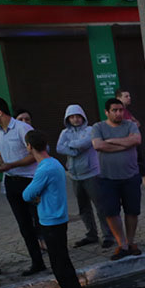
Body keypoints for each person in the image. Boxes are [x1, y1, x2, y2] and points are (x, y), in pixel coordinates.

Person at [21, 130, 87, 288]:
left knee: (60, 261)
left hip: (51, 220)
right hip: (57, 217)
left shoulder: (45, 168)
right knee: (60, 259)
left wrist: (35, 196)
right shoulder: (53, 163)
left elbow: (27, 195)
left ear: (29, 146)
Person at [0, 96, 45, 276]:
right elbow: (0, 155)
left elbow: (35, 154)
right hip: (11, 181)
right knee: (24, 225)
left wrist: (12, 165)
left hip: (30, 180)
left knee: (40, 221)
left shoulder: (22, 128)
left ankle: (55, 255)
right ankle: (37, 261)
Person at [91, 97, 144, 260]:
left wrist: (112, 141)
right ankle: (122, 244)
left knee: (132, 211)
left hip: (131, 176)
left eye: (121, 110)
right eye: (115, 110)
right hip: (107, 178)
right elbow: (98, 145)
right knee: (111, 213)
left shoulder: (130, 125)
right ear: (107, 112)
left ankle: (131, 241)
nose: (119, 113)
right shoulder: (98, 127)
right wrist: (125, 144)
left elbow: (136, 140)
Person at [56, 103, 112, 249]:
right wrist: (74, 150)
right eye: (72, 117)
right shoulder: (64, 133)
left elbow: (86, 143)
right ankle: (91, 234)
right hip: (75, 175)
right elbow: (59, 147)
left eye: (78, 116)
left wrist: (71, 145)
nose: (75, 119)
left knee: (100, 206)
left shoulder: (90, 130)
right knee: (83, 208)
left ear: (83, 117)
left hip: (91, 173)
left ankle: (107, 235)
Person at [119, 89, 145, 203]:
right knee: (136, 171)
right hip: (128, 146)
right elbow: (130, 125)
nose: (129, 98)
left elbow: (137, 123)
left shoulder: (127, 111)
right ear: (119, 98)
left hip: (134, 145)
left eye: (129, 95)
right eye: (126, 96)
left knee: (142, 170)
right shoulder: (121, 112)